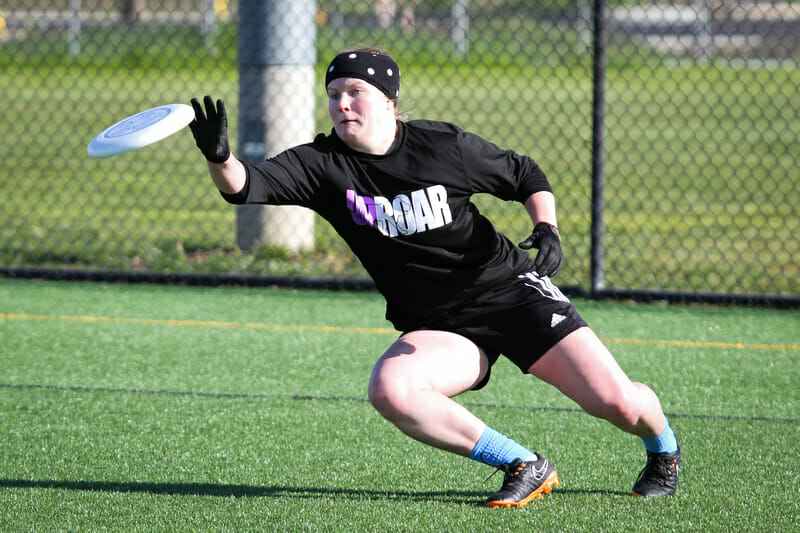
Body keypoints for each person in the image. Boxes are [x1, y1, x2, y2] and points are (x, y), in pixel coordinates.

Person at [189, 47, 680, 507]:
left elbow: (525, 174)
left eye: (355, 92)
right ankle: (523, 464)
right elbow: (243, 186)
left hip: (511, 294)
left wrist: (546, 227)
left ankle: (664, 450)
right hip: (440, 323)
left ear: (388, 99)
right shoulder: (322, 165)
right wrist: (219, 158)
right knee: (392, 388)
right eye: (334, 94)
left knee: (618, 404)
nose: (342, 104)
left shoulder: (443, 147)